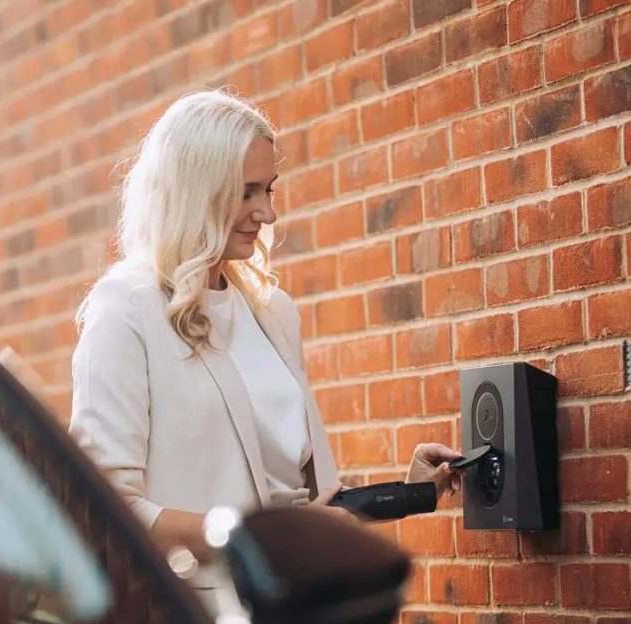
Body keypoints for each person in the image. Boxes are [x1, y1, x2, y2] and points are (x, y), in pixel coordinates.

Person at [68, 89, 461, 574]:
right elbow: (104, 508)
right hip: (201, 607)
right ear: (197, 190)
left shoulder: (272, 312)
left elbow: (299, 506)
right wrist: (264, 539)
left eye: (269, 190)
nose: (267, 213)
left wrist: (412, 491)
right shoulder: (126, 310)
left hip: (299, 600)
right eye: (246, 192)